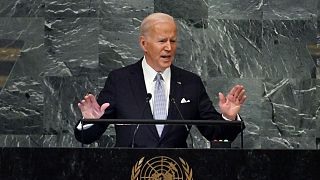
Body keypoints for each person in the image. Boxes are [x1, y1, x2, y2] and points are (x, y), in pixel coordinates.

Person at [74, 13, 247, 148]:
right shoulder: (120, 80)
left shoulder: (190, 82)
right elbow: (87, 137)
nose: (169, 47)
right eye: (162, 41)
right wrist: (91, 121)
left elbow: (216, 134)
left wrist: (228, 117)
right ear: (144, 44)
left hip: (178, 171)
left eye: (173, 41)